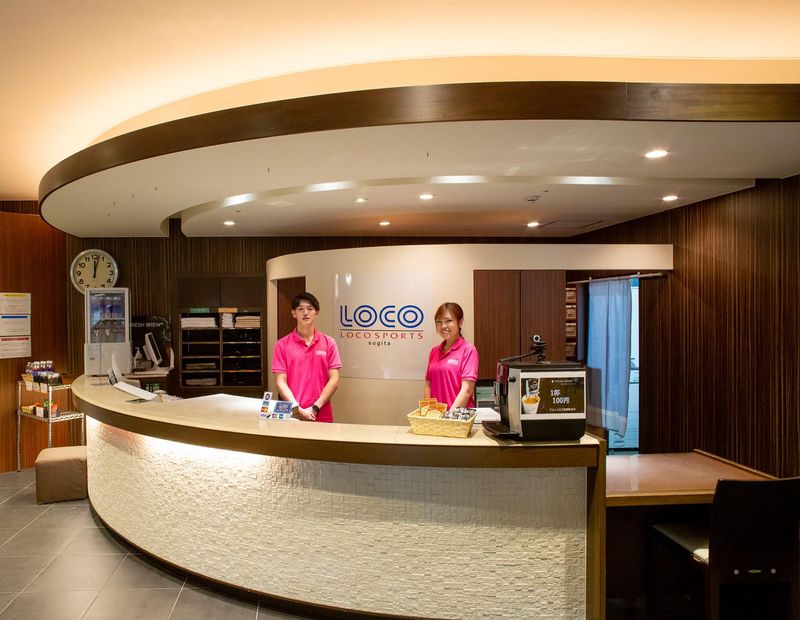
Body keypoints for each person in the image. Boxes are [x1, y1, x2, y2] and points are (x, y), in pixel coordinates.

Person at [272, 292, 341, 422]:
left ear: (317, 312)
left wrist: (315, 407)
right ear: (293, 313)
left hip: (321, 413)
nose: (305, 313)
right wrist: (297, 408)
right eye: (300, 309)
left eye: (310, 309)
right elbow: (280, 382)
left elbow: (334, 380)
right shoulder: (282, 345)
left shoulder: (329, 343)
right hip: (293, 414)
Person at [424, 302, 479, 409]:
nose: (443, 326)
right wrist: (429, 412)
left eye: (448, 321)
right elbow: (428, 385)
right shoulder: (434, 351)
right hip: (436, 416)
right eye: (439, 322)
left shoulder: (468, 350)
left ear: (460, 322)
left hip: (458, 416)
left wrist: (449, 415)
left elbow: (467, 390)